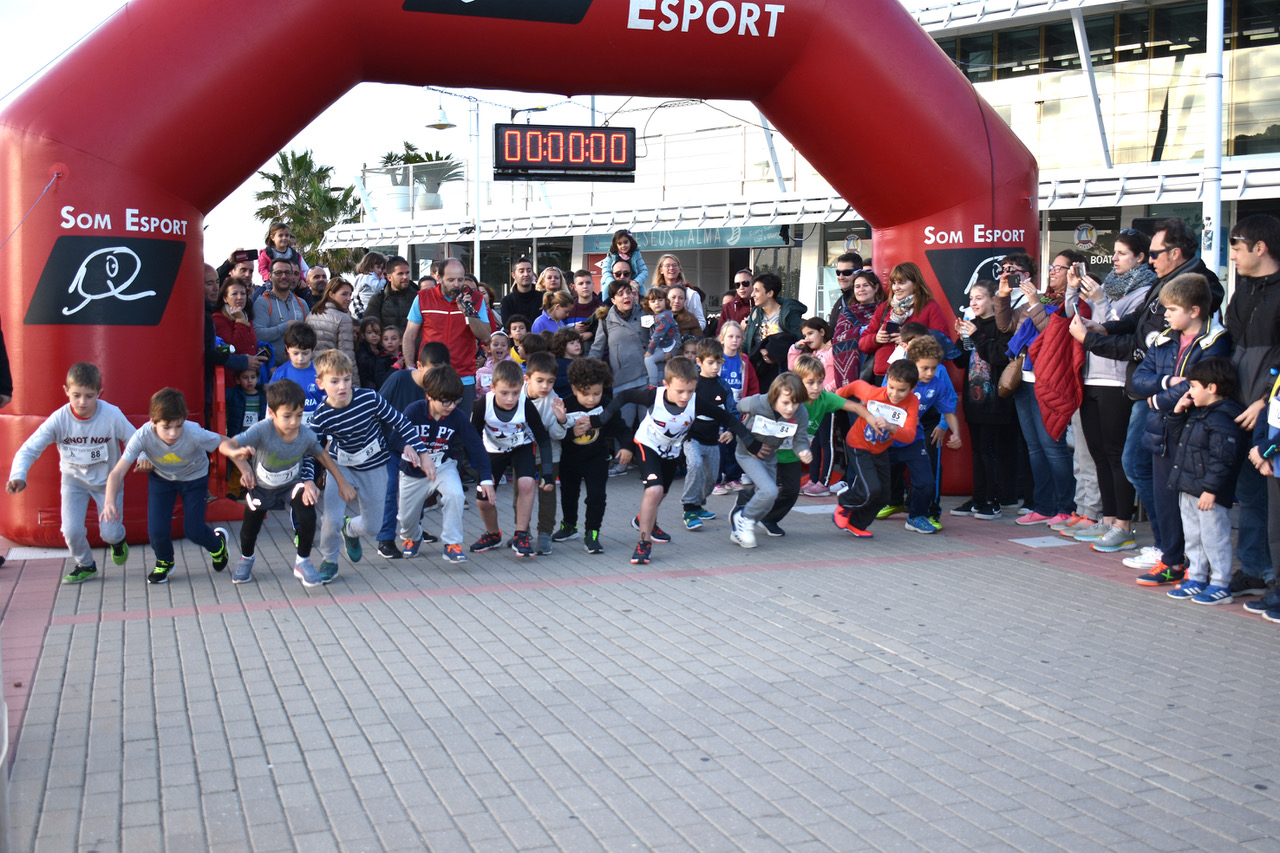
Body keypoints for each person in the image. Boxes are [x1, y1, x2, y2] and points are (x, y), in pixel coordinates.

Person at [1077, 220, 1225, 574]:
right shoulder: (1163, 282)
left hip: (1172, 397)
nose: (1150, 262)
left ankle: (1173, 552)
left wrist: (1093, 340)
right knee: (1139, 465)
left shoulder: (1196, 287)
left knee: (1141, 466)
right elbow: (1146, 340)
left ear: (1176, 253)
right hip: (1152, 391)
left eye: (1154, 254)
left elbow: (1151, 345)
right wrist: (1105, 328)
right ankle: (1168, 548)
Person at [591, 356, 762, 565]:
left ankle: (644, 521)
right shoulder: (653, 396)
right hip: (648, 445)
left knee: (661, 493)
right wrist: (598, 420)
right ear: (666, 384)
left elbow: (727, 418)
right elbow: (624, 396)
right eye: (680, 391)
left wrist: (750, 442)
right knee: (653, 490)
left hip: (672, 450)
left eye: (690, 391)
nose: (685, 396)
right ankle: (643, 543)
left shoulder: (695, 402)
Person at [1129, 273, 1232, 583]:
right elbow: (1139, 378)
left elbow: (1198, 385)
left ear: (1195, 311)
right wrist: (1164, 385)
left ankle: (1206, 572)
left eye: (1172, 309)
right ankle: (1172, 560)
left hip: (1196, 433)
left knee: (1197, 506)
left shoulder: (1217, 341)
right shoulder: (1164, 339)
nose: (1166, 315)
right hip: (1162, 431)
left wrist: (1158, 400)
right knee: (1165, 499)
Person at [1068, 232, 1158, 552]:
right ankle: (1107, 520)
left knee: (1116, 453)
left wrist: (1101, 303)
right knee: (1098, 454)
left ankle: (1124, 523)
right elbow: (1079, 322)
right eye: (1115, 252)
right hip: (1092, 376)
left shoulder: (1145, 291)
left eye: (1122, 253)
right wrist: (1073, 290)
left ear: (1140, 257)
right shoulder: (1108, 287)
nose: (1115, 258)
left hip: (1117, 381)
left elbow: (1122, 330)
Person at [310, 350, 432, 582]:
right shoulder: (321, 415)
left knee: (373, 525)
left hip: (374, 466)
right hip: (340, 467)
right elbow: (311, 451)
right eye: (334, 381)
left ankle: (351, 530)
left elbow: (400, 421)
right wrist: (307, 481)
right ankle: (330, 560)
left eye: (346, 379)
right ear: (321, 384)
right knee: (331, 518)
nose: (342, 386)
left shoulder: (369, 398)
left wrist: (422, 451)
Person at [6, 363, 133, 584]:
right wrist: (18, 475)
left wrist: (143, 460)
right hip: (73, 482)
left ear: (99, 394)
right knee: (71, 530)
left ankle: (118, 541)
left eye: (89, 396)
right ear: (66, 391)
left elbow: (134, 440)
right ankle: (85, 564)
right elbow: (29, 448)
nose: (82, 402)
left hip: (107, 483)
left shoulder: (111, 415)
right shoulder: (59, 419)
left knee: (109, 533)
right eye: (76, 395)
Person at [102, 388, 242, 584]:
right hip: (162, 479)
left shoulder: (193, 432)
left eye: (178, 426)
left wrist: (245, 469)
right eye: (166, 427)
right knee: (156, 531)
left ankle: (217, 545)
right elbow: (117, 472)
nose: (173, 433)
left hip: (195, 478)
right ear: (153, 422)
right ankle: (165, 561)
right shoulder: (142, 436)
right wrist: (109, 501)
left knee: (193, 530)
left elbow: (225, 442)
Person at [223, 378, 354, 587]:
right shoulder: (261, 430)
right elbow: (226, 445)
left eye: (299, 415)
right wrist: (239, 459)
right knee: (250, 528)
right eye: (287, 416)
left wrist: (342, 482)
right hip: (261, 487)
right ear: (272, 414)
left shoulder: (305, 435)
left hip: (292, 485)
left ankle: (303, 561)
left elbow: (323, 457)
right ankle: (246, 558)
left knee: (308, 511)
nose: (294, 422)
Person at [993, 251, 1075, 525]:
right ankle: (1044, 506)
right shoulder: (1044, 298)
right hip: (1025, 381)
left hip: (1050, 383)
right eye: (1052, 267)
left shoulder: (1071, 302)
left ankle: (1066, 506)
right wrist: (1003, 295)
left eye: (1060, 268)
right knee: (1035, 448)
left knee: (1053, 446)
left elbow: (1054, 332)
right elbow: (1005, 326)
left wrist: (1033, 302)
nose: (1053, 272)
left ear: (1074, 273)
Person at [1225, 213, 1280, 598]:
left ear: (1260, 248)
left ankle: (1274, 576)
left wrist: (1265, 401)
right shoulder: (1243, 288)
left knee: (1272, 500)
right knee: (1250, 495)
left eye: (1236, 248)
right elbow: (1232, 344)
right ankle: (1255, 569)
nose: (1231, 256)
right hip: (1236, 407)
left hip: (1269, 412)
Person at [1163, 359, 1247, 604]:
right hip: (1188, 487)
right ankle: (1197, 577)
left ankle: (1220, 583)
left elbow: (1223, 459)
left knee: (1214, 537)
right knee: (1194, 536)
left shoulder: (1223, 418)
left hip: (1208, 493)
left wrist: (1211, 490)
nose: (1189, 391)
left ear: (1212, 388)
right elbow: (1180, 442)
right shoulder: (1199, 413)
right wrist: (1177, 413)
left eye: (1193, 386)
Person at [399, 365, 493, 563]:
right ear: (429, 396)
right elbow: (394, 437)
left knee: (455, 495)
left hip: (443, 466)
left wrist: (485, 478)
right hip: (413, 472)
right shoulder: (414, 411)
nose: (451, 406)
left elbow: (476, 446)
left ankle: (452, 543)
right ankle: (413, 536)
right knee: (406, 519)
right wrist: (405, 445)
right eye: (446, 402)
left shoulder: (457, 417)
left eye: (456, 401)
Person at [469, 359, 555, 557]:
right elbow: (472, 439)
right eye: (504, 393)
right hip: (491, 451)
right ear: (492, 388)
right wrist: (481, 473)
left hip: (521, 447)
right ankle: (493, 534)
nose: (510, 399)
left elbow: (542, 439)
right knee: (483, 499)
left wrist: (548, 473)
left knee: (526, 484)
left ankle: (521, 534)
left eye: (515, 393)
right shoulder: (485, 403)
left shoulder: (525, 404)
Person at [770, 355, 870, 520]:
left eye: (820, 381)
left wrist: (873, 419)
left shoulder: (824, 398)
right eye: (810, 383)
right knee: (767, 491)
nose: (816, 387)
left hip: (792, 456)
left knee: (791, 492)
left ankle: (769, 519)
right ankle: (744, 507)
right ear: (798, 382)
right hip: (771, 452)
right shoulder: (788, 400)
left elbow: (855, 406)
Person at [832, 358, 921, 538]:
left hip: (880, 449)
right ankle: (844, 503)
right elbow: (856, 385)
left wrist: (892, 427)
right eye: (891, 387)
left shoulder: (912, 403)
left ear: (912, 388)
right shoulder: (873, 393)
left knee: (883, 495)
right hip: (858, 444)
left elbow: (910, 435)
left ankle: (856, 523)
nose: (895, 394)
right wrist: (838, 396)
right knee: (871, 488)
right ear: (887, 381)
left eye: (902, 390)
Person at [881, 336, 961, 534]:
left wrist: (956, 433)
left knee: (926, 481)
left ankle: (917, 516)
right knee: (877, 478)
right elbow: (879, 404)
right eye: (925, 368)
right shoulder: (898, 378)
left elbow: (948, 411)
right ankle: (854, 508)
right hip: (889, 439)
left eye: (934, 368)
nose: (930, 373)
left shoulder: (937, 384)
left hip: (914, 440)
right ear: (912, 363)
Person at [953, 279, 1015, 519]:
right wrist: (961, 338)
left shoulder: (1001, 325)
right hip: (974, 398)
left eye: (979, 298)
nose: (974, 303)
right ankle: (978, 498)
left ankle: (994, 500)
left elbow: (1000, 356)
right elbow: (960, 361)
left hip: (995, 401)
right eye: (971, 299)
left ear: (992, 300)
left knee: (990, 451)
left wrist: (976, 335)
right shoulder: (972, 325)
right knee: (977, 451)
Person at [728, 373, 812, 549]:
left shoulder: (801, 413)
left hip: (770, 457)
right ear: (774, 397)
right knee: (770, 491)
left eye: (795, 403)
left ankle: (740, 526)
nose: (790, 409)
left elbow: (800, 439)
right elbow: (736, 408)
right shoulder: (758, 402)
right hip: (747, 454)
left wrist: (803, 451)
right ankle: (743, 518)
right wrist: (739, 433)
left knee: (768, 501)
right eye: (785, 403)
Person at [554, 357, 628, 554]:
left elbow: (621, 428)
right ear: (574, 388)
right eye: (585, 394)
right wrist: (571, 432)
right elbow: (555, 435)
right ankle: (569, 526)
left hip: (597, 458)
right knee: (569, 494)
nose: (591, 399)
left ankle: (592, 533)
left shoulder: (606, 405)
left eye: (597, 393)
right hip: (570, 459)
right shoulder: (565, 405)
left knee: (596, 496)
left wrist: (627, 446)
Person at [401, 257, 493, 415]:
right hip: (430, 377)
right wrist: (410, 368)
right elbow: (409, 335)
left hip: (464, 378)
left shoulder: (475, 299)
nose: (456, 284)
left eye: (460, 279)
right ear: (438, 277)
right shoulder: (423, 298)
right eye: (450, 279)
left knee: (460, 432)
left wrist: (469, 313)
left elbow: (486, 335)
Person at [589, 279, 650, 475]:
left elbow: (658, 339)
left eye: (629, 292)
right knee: (622, 423)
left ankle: (649, 463)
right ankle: (621, 463)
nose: (626, 297)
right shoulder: (605, 321)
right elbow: (597, 348)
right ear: (613, 299)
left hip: (646, 377)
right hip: (622, 380)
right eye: (621, 294)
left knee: (648, 424)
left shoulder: (646, 315)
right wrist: (587, 371)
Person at [859, 262, 948, 381]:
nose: (896, 287)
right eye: (894, 283)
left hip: (915, 375)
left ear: (915, 284)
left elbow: (943, 340)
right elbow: (863, 344)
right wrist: (876, 339)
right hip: (884, 374)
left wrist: (913, 341)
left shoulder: (929, 307)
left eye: (901, 282)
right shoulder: (884, 308)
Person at [680, 338, 734, 531]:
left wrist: (730, 431)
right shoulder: (692, 384)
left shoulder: (724, 387)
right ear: (699, 362)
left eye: (719, 362)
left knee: (712, 478)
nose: (715, 367)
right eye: (710, 362)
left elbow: (731, 413)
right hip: (691, 437)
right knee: (694, 466)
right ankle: (689, 509)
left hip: (713, 440)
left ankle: (698, 504)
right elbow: (679, 406)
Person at [522, 352, 569, 555]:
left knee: (547, 494)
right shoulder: (516, 395)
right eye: (539, 381)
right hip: (523, 454)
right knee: (521, 492)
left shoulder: (553, 400)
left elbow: (557, 436)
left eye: (550, 381)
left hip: (550, 455)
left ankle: (544, 534)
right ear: (527, 379)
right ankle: (522, 531)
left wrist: (561, 420)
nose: (545, 386)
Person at [713, 319, 758, 494]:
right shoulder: (715, 359)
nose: (734, 340)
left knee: (735, 445)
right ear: (722, 339)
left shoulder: (744, 360)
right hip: (718, 408)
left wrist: (749, 407)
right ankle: (717, 480)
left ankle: (733, 477)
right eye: (730, 336)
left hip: (738, 408)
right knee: (719, 445)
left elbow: (753, 385)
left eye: (738, 337)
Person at [742, 272, 807, 388]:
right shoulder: (755, 313)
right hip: (759, 369)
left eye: (757, 290)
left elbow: (798, 341)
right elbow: (747, 341)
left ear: (770, 293)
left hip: (781, 371)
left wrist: (775, 354)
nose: (752, 294)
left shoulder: (788, 313)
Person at [254, 257, 310, 367]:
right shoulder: (262, 303)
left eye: (287, 273)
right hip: (272, 371)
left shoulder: (301, 303)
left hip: (299, 368)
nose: (284, 276)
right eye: (278, 273)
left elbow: (309, 336)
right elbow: (258, 335)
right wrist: (285, 327)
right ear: (270, 276)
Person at [212, 278, 266, 385]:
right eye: (234, 294)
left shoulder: (245, 315)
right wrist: (240, 320)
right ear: (225, 298)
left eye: (243, 293)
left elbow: (249, 345)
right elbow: (234, 347)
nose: (240, 297)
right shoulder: (218, 319)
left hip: (249, 382)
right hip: (231, 383)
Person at [270, 324, 323, 425]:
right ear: (287, 348)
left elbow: (329, 403)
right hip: (288, 431)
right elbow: (271, 406)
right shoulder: (280, 374)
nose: (300, 358)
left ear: (313, 349)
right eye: (295, 353)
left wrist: (329, 436)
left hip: (316, 431)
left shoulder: (321, 372)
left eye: (305, 353)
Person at [306, 277, 356, 367]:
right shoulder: (344, 319)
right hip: (333, 371)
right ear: (331, 294)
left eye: (350, 295)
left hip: (312, 370)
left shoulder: (311, 314)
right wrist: (354, 380)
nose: (349, 299)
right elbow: (347, 357)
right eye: (344, 294)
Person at [364, 256, 417, 336]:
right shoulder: (378, 299)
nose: (405, 277)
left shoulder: (418, 298)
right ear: (389, 277)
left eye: (407, 273)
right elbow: (370, 328)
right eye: (400, 274)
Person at [652, 254, 706, 327]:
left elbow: (701, 321)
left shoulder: (691, 294)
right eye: (667, 266)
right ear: (661, 270)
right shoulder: (654, 293)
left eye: (674, 265)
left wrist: (689, 332)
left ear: (679, 269)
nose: (671, 268)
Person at [642, 286, 679, 386]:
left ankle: (652, 384)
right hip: (663, 346)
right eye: (653, 301)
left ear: (666, 301)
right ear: (648, 304)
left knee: (648, 359)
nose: (657, 303)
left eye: (660, 300)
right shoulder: (659, 316)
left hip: (666, 347)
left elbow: (658, 335)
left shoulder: (664, 317)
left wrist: (650, 350)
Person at [500, 256, 543, 325]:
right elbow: (508, 327)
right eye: (521, 271)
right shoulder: (507, 301)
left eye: (529, 271)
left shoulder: (543, 298)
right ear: (513, 275)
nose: (526, 274)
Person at [566, 268, 602, 344]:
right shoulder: (567, 309)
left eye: (588, 283)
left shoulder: (602, 308)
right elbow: (560, 331)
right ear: (574, 287)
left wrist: (592, 333)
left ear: (593, 284)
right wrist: (574, 329)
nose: (585, 286)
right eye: (581, 283)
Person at [356, 317, 391, 390]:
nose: (374, 335)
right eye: (369, 332)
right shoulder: (362, 354)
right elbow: (363, 377)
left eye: (377, 332)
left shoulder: (384, 349)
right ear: (363, 335)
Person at [350, 251, 387, 319]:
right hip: (368, 305)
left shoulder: (361, 276)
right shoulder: (370, 276)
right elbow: (377, 288)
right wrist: (382, 280)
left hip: (362, 305)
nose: (380, 270)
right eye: (378, 267)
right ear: (370, 267)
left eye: (381, 268)